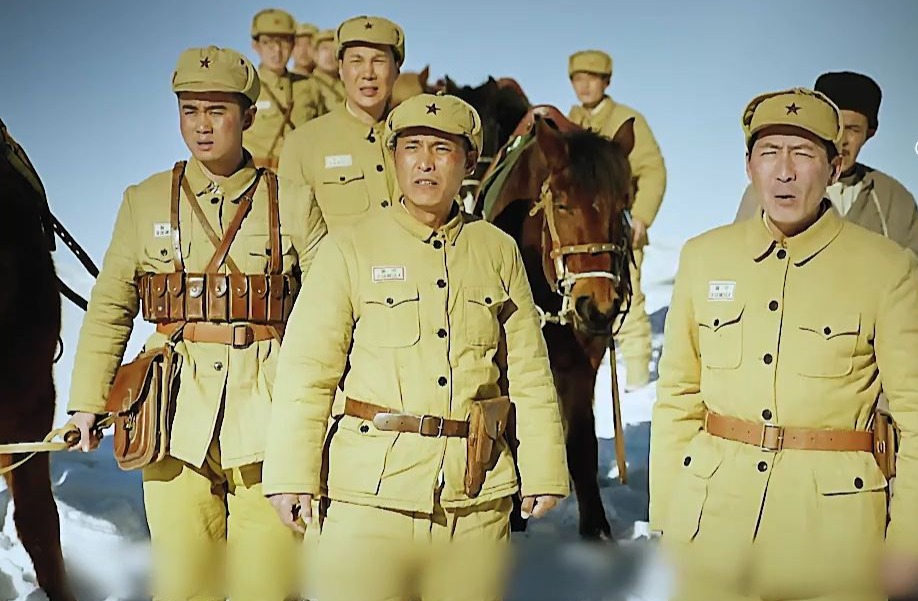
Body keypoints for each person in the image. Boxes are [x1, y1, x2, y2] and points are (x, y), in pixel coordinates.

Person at [261, 93, 570, 601]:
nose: (425, 162)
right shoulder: (349, 247)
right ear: (394, 158)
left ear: (468, 162)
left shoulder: (498, 250)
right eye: (412, 147)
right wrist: (292, 473)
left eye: (442, 149)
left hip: (474, 500)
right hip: (368, 502)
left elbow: (529, 371)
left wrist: (544, 468)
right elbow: (307, 369)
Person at [650, 87, 918, 601]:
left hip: (833, 539)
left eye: (803, 154)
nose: (784, 172)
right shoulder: (703, 258)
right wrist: (668, 514)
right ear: (749, 167)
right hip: (712, 524)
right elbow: (678, 397)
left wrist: (911, 549)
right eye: (769, 153)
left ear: (834, 168)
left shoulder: (886, 269)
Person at [64, 45, 327, 601]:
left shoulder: (295, 203)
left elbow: (334, 314)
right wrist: (87, 400)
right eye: (190, 111)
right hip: (173, 420)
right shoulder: (143, 202)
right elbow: (111, 305)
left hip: (271, 421)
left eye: (217, 111)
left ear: (248, 116)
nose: (202, 126)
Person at [734, 71, 918, 334]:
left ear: (870, 133)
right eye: (836, 126)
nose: (842, 139)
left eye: (853, 129)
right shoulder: (768, 190)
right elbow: (740, 267)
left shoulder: (894, 200)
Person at [567, 49, 666, 391]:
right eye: (578, 79)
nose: (584, 86)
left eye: (592, 79)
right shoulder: (569, 122)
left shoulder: (626, 120)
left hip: (619, 231)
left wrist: (641, 218)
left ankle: (638, 384)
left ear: (606, 82)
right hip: (581, 238)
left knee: (628, 302)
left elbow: (652, 170)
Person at [277, 15, 402, 229]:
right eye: (357, 61)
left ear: (397, 68)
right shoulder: (303, 144)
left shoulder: (418, 139)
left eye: (379, 61)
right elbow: (292, 233)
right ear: (341, 69)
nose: (368, 73)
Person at [245, 8, 325, 169]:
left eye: (284, 41)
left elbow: (323, 131)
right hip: (257, 176)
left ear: (293, 44)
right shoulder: (245, 86)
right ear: (256, 45)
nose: (277, 49)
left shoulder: (310, 86)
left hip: (302, 175)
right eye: (268, 42)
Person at [310, 28, 346, 113]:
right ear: (315, 54)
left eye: (335, 49)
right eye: (325, 49)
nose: (331, 54)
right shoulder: (309, 85)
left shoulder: (346, 84)